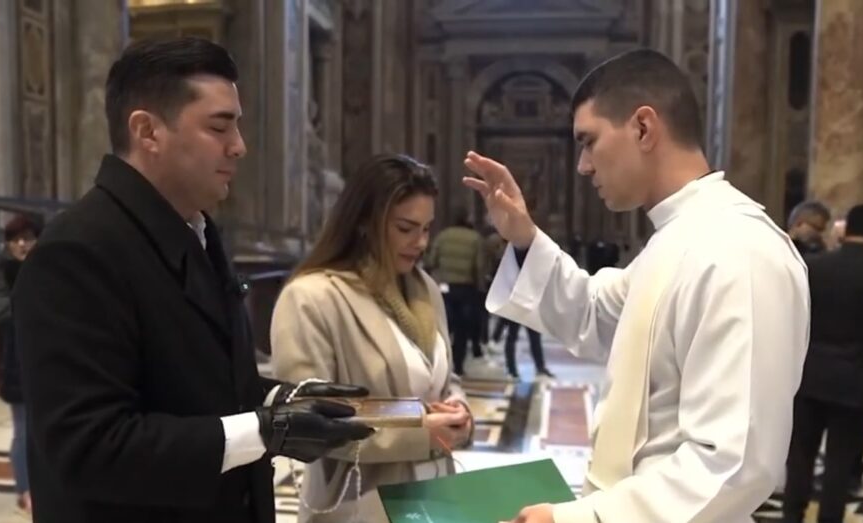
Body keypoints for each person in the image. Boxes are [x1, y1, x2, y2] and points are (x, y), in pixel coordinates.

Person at [12, 37, 373, 523]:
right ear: (148, 131)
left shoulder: (195, 228)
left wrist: (280, 398)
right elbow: (89, 446)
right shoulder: (77, 250)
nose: (239, 146)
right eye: (219, 126)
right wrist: (264, 432)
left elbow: (198, 379)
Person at [464, 49, 810, 522]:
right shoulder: (678, 237)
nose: (583, 165)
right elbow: (595, 315)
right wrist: (523, 237)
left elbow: (732, 464)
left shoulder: (739, 250)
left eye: (589, 142)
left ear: (643, 128)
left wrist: (579, 519)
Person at [271, 154, 473, 523]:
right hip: (358, 507)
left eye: (427, 228)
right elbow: (310, 417)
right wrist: (421, 430)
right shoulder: (312, 297)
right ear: (365, 223)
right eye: (405, 228)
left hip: (436, 497)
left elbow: (443, 379)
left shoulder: (426, 288)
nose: (421, 242)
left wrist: (459, 410)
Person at [782, 204, 863, 523]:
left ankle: (791, 516)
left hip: (808, 375)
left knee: (800, 457)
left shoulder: (813, 266)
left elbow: (796, 316)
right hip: (854, 380)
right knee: (840, 462)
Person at [0, 214, 42, 515]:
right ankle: (26, 490)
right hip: (17, 365)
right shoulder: (2, 273)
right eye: (15, 239)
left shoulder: (52, 268)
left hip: (51, 366)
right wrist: (38, 303)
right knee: (24, 431)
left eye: (28, 238)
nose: (22, 244)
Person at [427, 207, 485, 375]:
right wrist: (480, 287)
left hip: (445, 287)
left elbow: (432, 260)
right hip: (466, 288)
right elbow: (479, 266)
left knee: (443, 326)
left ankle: (440, 363)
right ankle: (458, 365)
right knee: (462, 330)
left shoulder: (443, 236)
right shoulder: (475, 239)